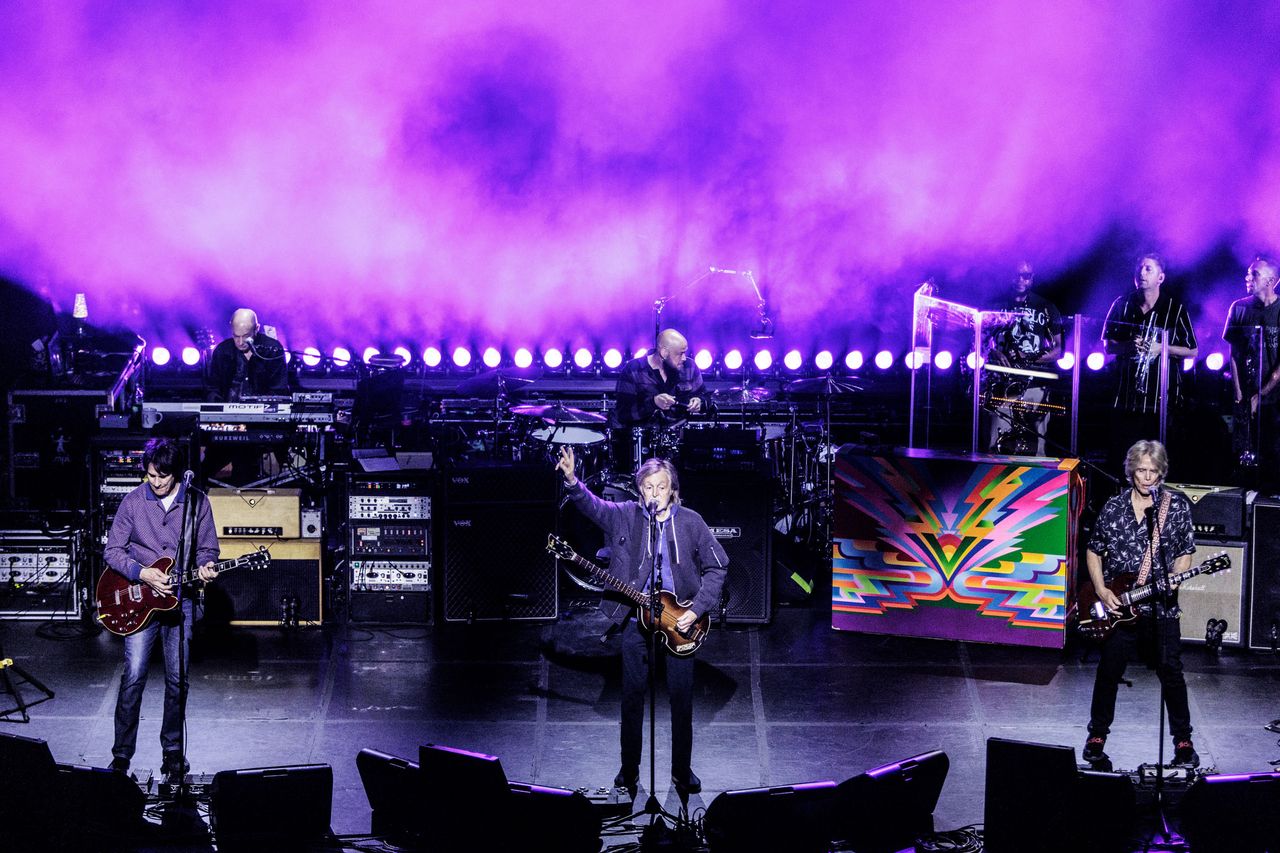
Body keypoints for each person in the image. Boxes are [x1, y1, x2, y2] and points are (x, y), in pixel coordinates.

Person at [556, 445, 727, 796]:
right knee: (631, 697)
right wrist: (573, 481)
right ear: (640, 490)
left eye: (661, 487)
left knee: (681, 699)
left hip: (681, 622)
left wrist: (695, 610)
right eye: (648, 487)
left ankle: (681, 770)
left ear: (672, 489)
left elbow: (718, 566)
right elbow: (593, 507)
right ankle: (629, 770)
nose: (654, 494)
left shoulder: (691, 522)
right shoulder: (626, 515)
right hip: (637, 621)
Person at [105, 439, 219, 779]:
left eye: (162, 476)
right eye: (151, 475)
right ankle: (122, 756)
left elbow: (207, 549)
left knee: (177, 680)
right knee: (134, 677)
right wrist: (142, 573)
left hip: (179, 598)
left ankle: (172, 754)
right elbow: (112, 551)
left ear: (177, 474)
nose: (155, 482)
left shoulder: (197, 502)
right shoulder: (133, 502)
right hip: (139, 597)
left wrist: (207, 566)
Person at [1082, 439, 1198, 769]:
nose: (1146, 478)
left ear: (1161, 474)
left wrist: (1177, 574)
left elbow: (1185, 551)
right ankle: (1096, 737)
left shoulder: (1174, 508)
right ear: (1131, 471)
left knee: (1172, 673)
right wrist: (1102, 589)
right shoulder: (1113, 507)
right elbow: (1094, 550)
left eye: (1153, 472)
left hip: (1161, 609)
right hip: (1120, 608)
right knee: (1108, 672)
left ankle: (1183, 741)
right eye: (1141, 470)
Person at [1100, 253, 1197, 464]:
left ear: (1160, 278)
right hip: (1126, 398)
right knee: (1124, 457)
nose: (1141, 273)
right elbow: (1107, 345)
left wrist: (1160, 348)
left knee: (1157, 459)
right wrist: (1127, 345)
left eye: (1148, 269)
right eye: (1139, 269)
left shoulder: (1175, 308)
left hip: (1161, 400)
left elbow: (1192, 350)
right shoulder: (1122, 304)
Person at [983, 260, 1063, 455]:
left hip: (1035, 384)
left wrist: (1029, 357)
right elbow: (981, 342)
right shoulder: (995, 305)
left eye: (1025, 276)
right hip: (1002, 386)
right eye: (1016, 274)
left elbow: (1058, 350)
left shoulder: (1046, 307)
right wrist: (994, 351)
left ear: (1032, 279)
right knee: (996, 446)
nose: (1020, 280)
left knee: (1038, 447)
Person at [1222, 256, 1280, 487]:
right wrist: (1239, 394)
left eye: (1254, 273)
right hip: (1246, 397)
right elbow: (1234, 354)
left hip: (1275, 399)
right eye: (1248, 272)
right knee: (1243, 455)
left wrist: (1262, 394)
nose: (1248, 277)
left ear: (1271, 280)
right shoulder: (1239, 308)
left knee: (1273, 452)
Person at [614, 329, 706, 428]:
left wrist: (699, 402)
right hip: (644, 437)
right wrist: (653, 403)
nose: (684, 358)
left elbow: (707, 398)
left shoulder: (689, 366)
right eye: (680, 353)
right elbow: (623, 413)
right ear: (664, 353)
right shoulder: (633, 369)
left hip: (680, 436)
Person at [207, 307, 288, 402]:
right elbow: (213, 388)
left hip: (262, 412)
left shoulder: (273, 350)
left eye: (246, 336)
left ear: (256, 328)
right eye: (236, 336)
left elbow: (279, 389)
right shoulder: (222, 351)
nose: (240, 342)